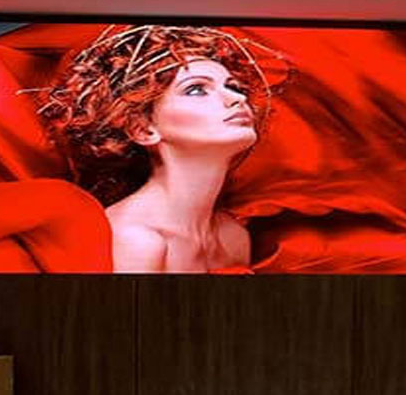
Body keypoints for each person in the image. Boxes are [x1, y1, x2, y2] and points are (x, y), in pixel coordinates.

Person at [36, 25, 285, 273]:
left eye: (234, 87)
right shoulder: (135, 241)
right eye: (196, 89)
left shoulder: (233, 237)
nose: (237, 98)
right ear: (143, 129)